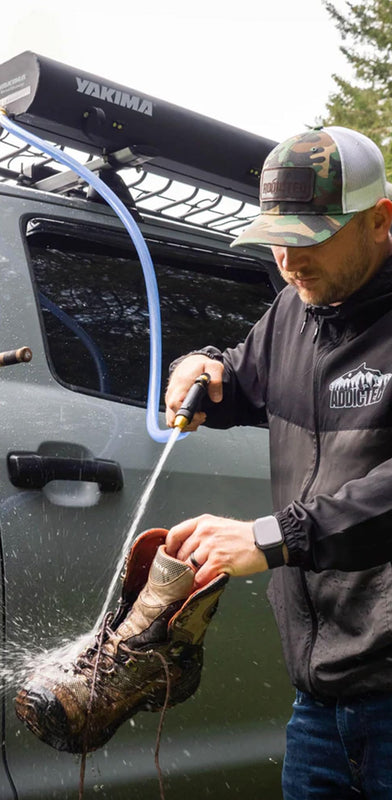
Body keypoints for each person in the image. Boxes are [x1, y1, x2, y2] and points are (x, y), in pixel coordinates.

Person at [163, 125, 392, 799]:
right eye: (277, 239)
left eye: (310, 236)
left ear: (380, 219)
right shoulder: (294, 309)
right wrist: (198, 367)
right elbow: (237, 375)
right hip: (319, 697)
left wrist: (272, 536)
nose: (288, 262)